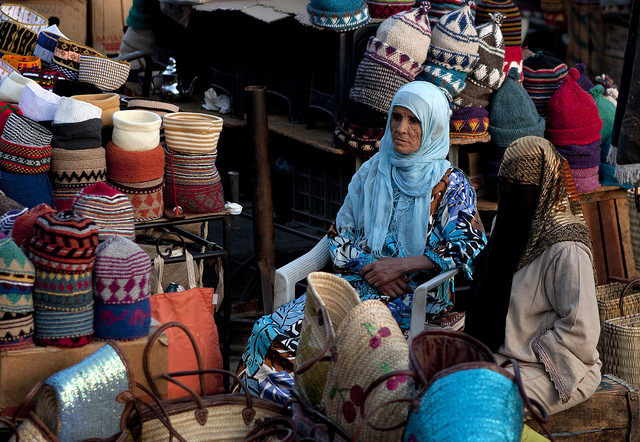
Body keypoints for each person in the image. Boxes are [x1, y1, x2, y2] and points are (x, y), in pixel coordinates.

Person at [237, 81, 487, 403]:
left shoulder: (452, 184)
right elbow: (339, 236)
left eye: (414, 121)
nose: (400, 129)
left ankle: (309, 417)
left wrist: (402, 266)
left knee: (334, 346)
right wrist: (374, 268)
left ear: (433, 127)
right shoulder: (372, 170)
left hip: (416, 297)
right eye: (396, 118)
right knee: (268, 331)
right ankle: (267, 415)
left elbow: (468, 245)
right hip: (358, 282)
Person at [464, 135, 602, 416]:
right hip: (502, 358)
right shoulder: (508, 236)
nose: (513, 194)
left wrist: (523, 357)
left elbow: (582, 333)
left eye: (524, 186)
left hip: (555, 366)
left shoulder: (566, 248)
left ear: (547, 189)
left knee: (480, 407)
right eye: (507, 184)